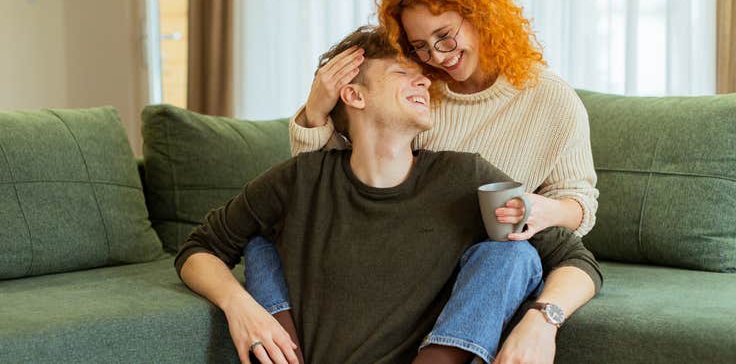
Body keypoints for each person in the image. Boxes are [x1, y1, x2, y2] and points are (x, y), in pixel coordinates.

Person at [177, 27, 600, 364]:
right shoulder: (300, 180)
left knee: (514, 254)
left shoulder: (466, 176)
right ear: (354, 95)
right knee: (259, 244)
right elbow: (200, 248)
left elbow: (576, 260)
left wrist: (543, 321)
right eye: (402, 73)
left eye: (422, 75)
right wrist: (240, 305)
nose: (424, 80)